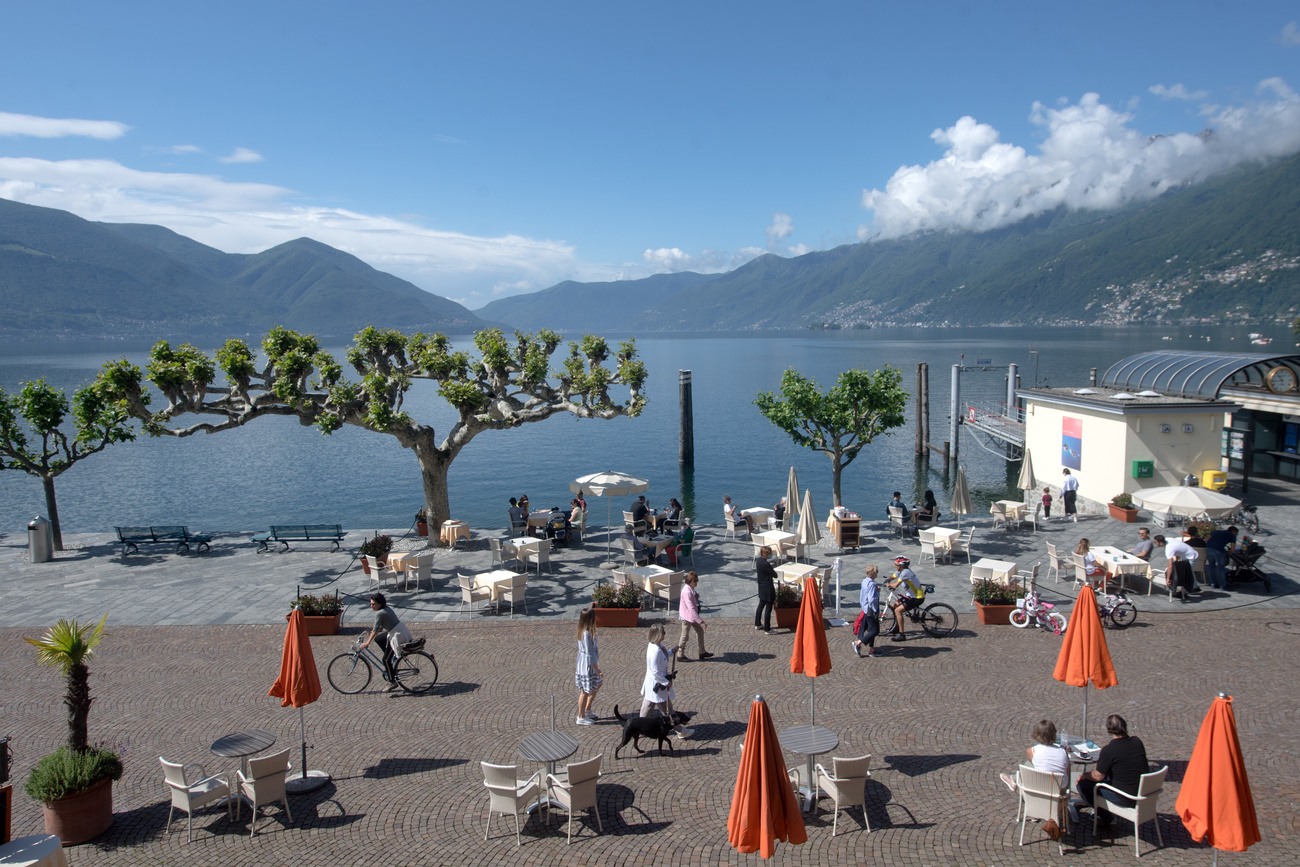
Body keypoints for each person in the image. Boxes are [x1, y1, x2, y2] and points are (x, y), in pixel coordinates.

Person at [1072, 714, 1149, 828]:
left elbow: (1098, 776)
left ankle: (1107, 818)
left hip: (1125, 797)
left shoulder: (1109, 750)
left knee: (1083, 785)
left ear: (1108, 730)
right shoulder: (1137, 742)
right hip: (1141, 791)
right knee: (1107, 775)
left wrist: (1084, 775)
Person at [1000, 719, 1070, 840]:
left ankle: (1013, 780)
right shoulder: (1063, 752)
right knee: (1033, 767)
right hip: (1058, 796)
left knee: (1028, 766)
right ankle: (1013, 779)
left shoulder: (1032, 751)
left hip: (1037, 793)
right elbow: (1067, 773)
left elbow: (1035, 764)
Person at [640, 624, 692, 738]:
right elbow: (655, 671)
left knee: (647, 709)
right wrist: (666, 682)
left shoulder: (657, 645)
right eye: (663, 633)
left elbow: (663, 656)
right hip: (657, 685)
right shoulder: (655, 650)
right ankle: (680, 731)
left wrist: (671, 651)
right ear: (658, 635)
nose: (664, 634)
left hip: (654, 685)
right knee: (667, 710)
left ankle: (638, 727)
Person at [359, 593, 411, 691]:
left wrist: (367, 643)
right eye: (370, 604)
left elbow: (376, 630)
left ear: (379, 604)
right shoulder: (386, 608)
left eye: (373, 604)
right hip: (399, 631)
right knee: (378, 639)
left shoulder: (380, 613)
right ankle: (391, 658)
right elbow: (377, 629)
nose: (371, 606)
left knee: (385, 660)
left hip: (397, 635)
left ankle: (392, 682)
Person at [675, 572, 712, 661]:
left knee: (700, 631)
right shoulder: (687, 591)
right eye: (695, 581)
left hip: (691, 617)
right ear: (690, 581)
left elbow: (691, 602)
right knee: (685, 636)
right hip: (687, 617)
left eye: (697, 580)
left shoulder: (690, 588)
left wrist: (695, 598)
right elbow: (691, 608)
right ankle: (680, 655)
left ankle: (702, 652)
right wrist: (701, 621)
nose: (696, 582)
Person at [574, 608, 602, 725]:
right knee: (585, 691)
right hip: (587, 667)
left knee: (597, 684)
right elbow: (589, 655)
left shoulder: (585, 631)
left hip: (586, 664)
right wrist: (597, 670)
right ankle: (581, 717)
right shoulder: (586, 634)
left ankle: (587, 709)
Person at [885, 556, 923, 642]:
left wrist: (888, 584)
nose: (894, 565)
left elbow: (895, 585)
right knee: (894, 606)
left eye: (896, 564)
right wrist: (888, 579)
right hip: (910, 596)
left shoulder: (905, 573)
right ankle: (896, 627)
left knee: (898, 611)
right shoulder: (901, 570)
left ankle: (902, 634)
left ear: (901, 566)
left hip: (917, 598)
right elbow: (893, 576)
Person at [1153, 534, 1198, 601]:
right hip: (1187, 555)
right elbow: (1177, 548)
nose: (1155, 543)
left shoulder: (1169, 549)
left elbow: (1170, 566)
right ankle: (1194, 587)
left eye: (1156, 542)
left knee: (1186, 574)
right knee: (1188, 572)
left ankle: (1185, 592)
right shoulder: (1167, 539)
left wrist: (1168, 578)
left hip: (1191, 557)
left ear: (1161, 543)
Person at [853, 565, 881, 658]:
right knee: (875, 630)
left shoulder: (864, 581)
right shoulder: (872, 584)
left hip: (865, 609)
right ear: (873, 573)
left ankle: (872, 649)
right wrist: (878, 592)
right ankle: (858, 643)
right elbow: (871, 599)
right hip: (871, 610)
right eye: (877, 571)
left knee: (870, 629)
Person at [1204, 525, 1239, 590]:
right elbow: (1233, 550)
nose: (1237, 535)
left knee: (1211, 566)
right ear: (1234, 531)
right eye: (1237, 533)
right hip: (1219, 550)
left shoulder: (1216, 531)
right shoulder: (1232, 535)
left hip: (1209, 548)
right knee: (1221, 568)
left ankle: (1213, 583)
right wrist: (1230, 554)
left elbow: (1207, 539)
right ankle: (1223, 585)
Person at [754, 545, 778, 632]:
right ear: (767, 554)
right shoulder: (766, 564)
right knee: (768, 608)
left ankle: (757, 624)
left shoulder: (758, 561)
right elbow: (775, 575)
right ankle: (767, 629)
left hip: (761, 586)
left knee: (761, 605)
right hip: (768, 588)